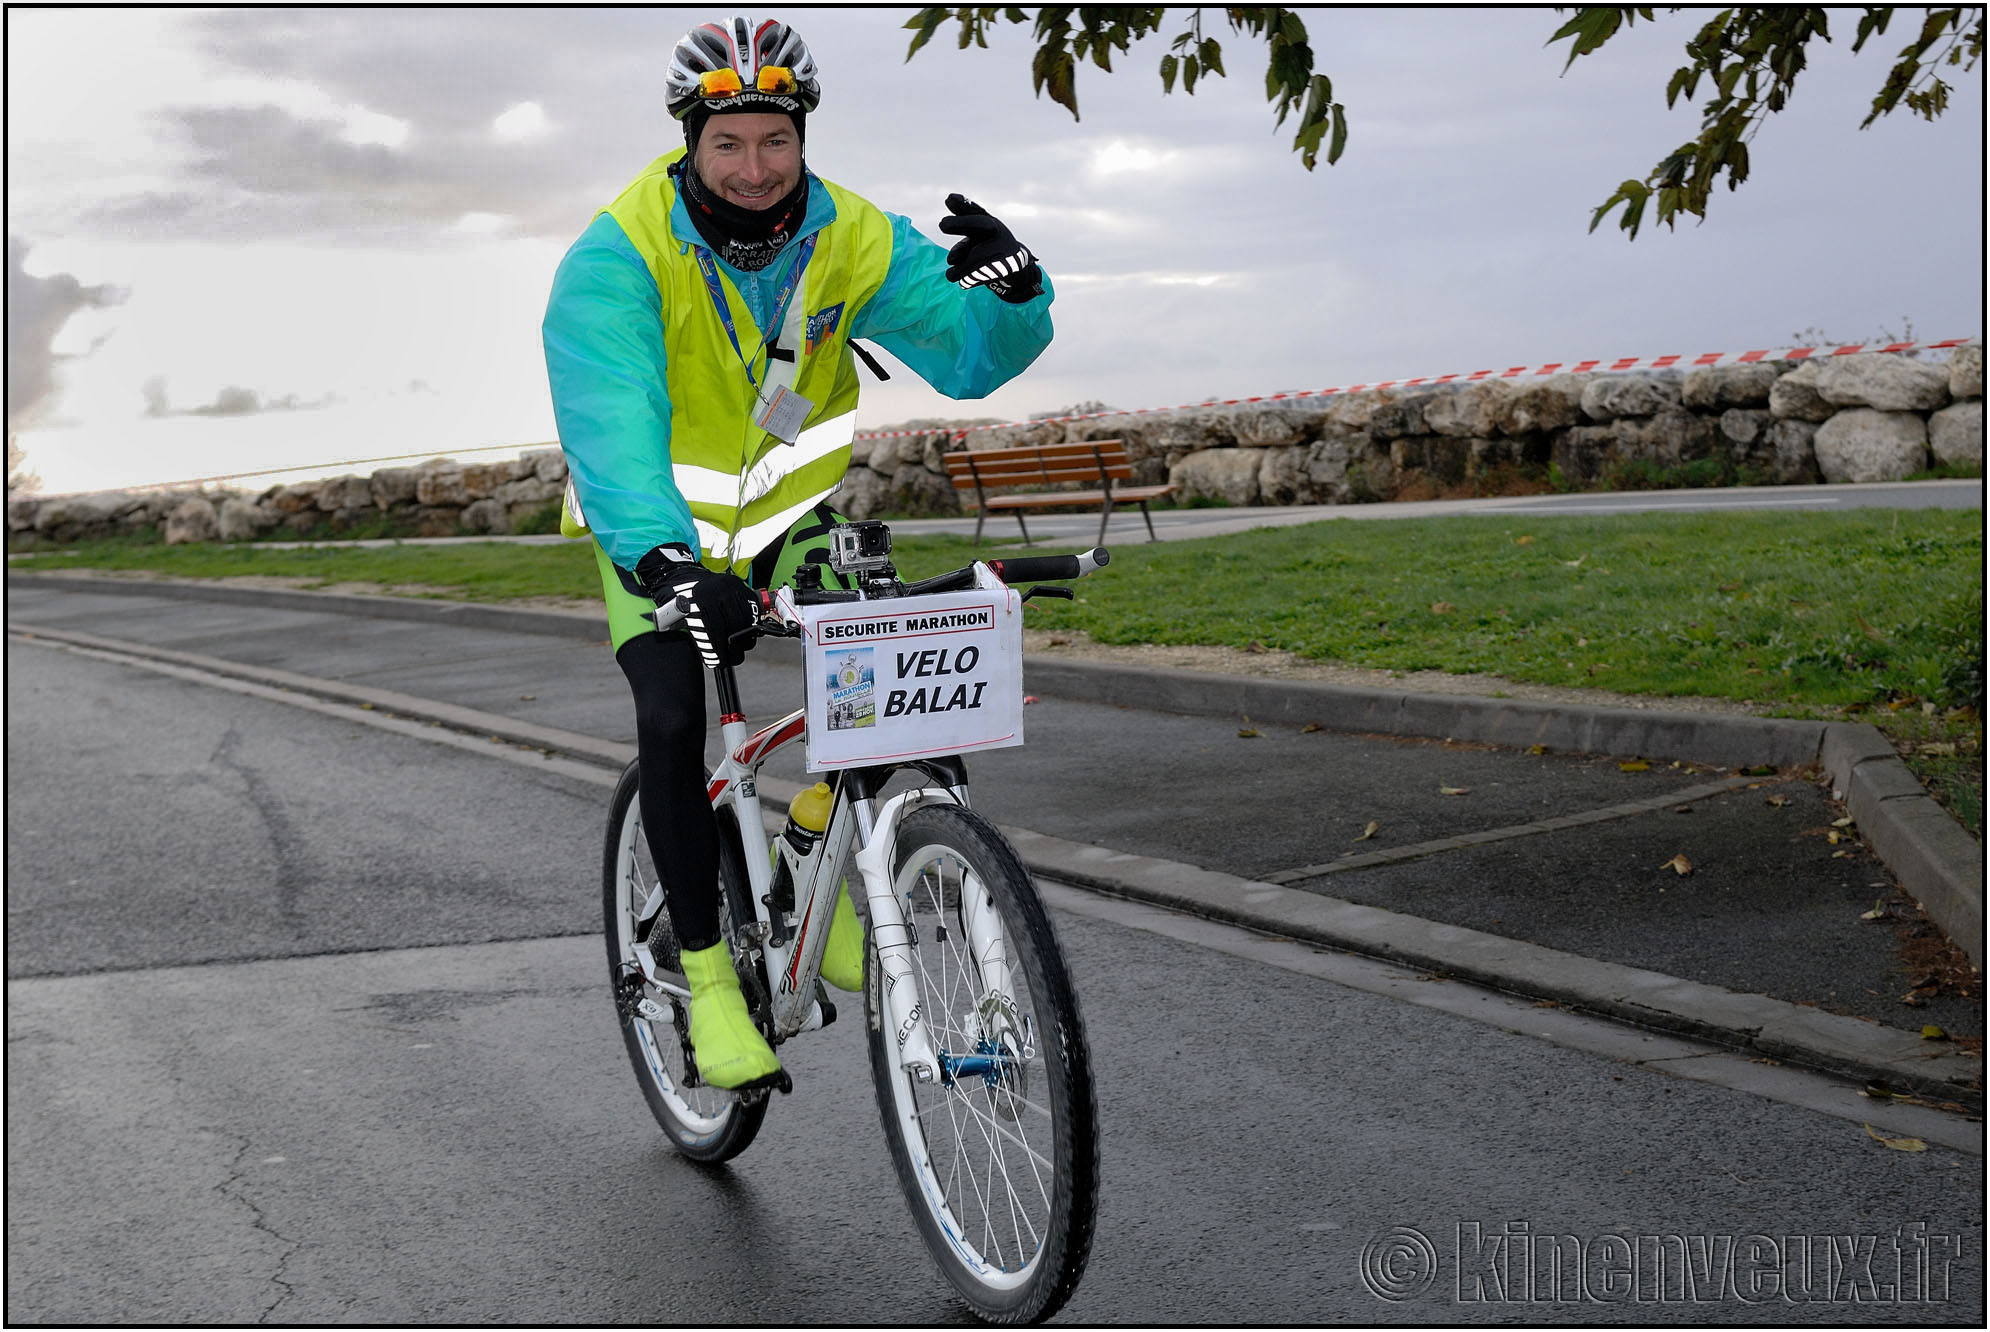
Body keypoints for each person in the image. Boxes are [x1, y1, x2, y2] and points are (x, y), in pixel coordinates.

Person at [542, 14, 1054, 1091]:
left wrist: (1011, 299)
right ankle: (712, 987)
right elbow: (611, 417)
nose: (753, 167)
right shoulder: (616, 256)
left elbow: (965, 359)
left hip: (792, 521)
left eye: (774, 138)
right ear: (689, 139)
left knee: (884, 670)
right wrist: (665, 563)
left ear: (802, 132)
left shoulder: (848, 234)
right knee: (678, 721)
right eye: (727, 143)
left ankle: (826, 869)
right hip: (659, 543)